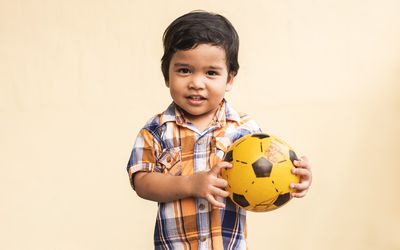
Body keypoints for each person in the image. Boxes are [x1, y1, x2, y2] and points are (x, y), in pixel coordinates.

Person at [127, 10, 312, 249]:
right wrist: (191, 185)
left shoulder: (246, 131)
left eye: (211, 73)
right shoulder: (156, 130)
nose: (196, 82)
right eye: (184, 70)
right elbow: (142, 182)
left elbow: (270, 173)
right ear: (167, 75)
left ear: (230, 79)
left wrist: (296, 178)